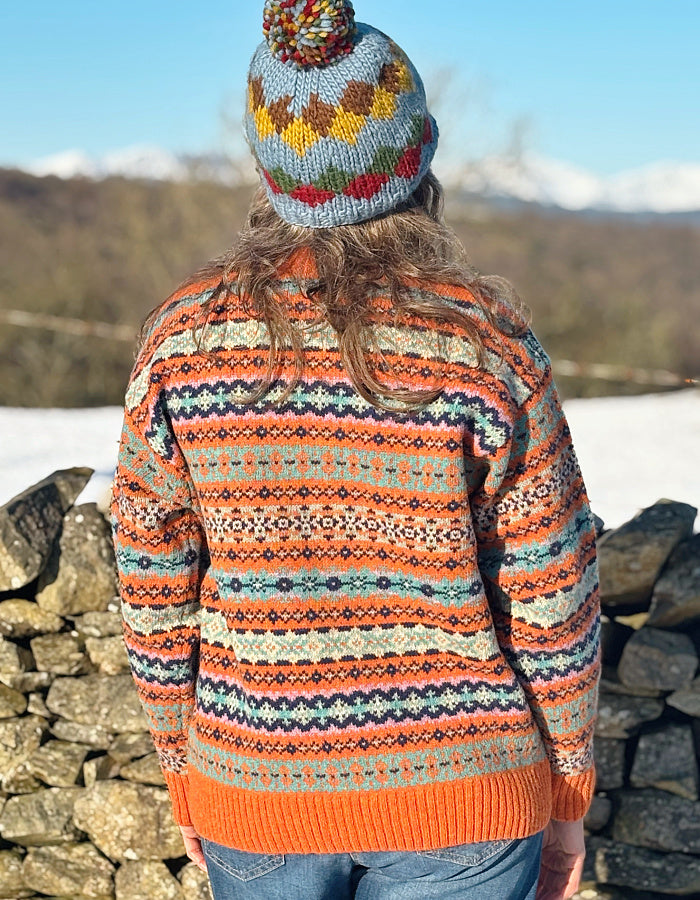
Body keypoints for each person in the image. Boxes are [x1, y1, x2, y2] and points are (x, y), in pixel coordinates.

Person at [110, 2, 601, 898]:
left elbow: (153, 584)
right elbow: (551, 589)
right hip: (465, 798)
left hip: (257, 786)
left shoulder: (183, 341)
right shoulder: (486, 344)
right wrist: (567, 791)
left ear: (268, 171)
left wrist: (185, 767)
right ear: (418, 157)